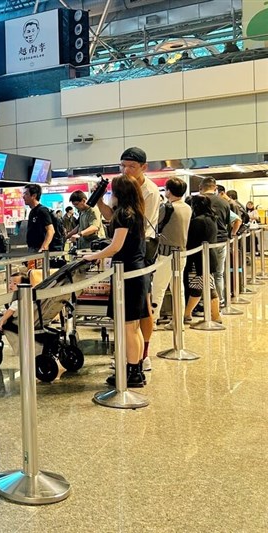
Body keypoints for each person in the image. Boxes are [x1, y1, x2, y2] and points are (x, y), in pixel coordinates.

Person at [82, 176, 149, 388]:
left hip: (126, 274)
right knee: (134, 326)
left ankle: (129, 372)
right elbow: (110, 217)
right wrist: (100, 200)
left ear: (119, 193)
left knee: (128, 327)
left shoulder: (124, 215)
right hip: (136, 273)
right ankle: (135, 370)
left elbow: (115, 246)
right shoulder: (135, 211)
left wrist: (92, 257)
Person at [95, 147, 159, 370]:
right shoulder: (123, 192)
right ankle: (132, 357)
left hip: (139, 254)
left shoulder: (149, 191)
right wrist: (100, 204)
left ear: (144, 167)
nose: (126, 170)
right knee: (132, 315)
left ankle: (142, 356)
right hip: (128, 252)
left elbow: (131, 226)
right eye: (123, 165)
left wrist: (97, 254)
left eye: (131, 166)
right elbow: (115, 219)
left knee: (141, 309)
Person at [151, 178, 192, 325]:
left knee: (158, 287)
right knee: (178, 288)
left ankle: (153, 320)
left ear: (168, 190)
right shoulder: (187, 207)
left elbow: (154, 223)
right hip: (181, 252)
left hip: (166, 253)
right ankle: (178, 322)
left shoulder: (168, 207)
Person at [184, 195, 222, 324]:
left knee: (205, 288)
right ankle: (187, 314)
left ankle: (215, 316)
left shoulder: (197, 221)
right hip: (209, 258)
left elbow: (191, 241)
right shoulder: (212, 219)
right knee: (201, 287)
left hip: (199, 259)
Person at [199, 177, 232, 304]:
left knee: (204, 273)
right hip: (222, 241)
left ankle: (206, 301)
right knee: (219, 273)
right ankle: (220, 300)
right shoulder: (224, 202)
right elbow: (228, 221)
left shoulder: (200, 201)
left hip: (205, 242)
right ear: (215, 188)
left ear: (201, 187)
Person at [22, 184, 54, 253]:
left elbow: (50, 230)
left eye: (26, 194)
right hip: (32, 248)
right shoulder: (32, 211)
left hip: (39, 249)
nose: (23, 197)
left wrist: (44, 247)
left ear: (34, 196)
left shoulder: (42, 210)